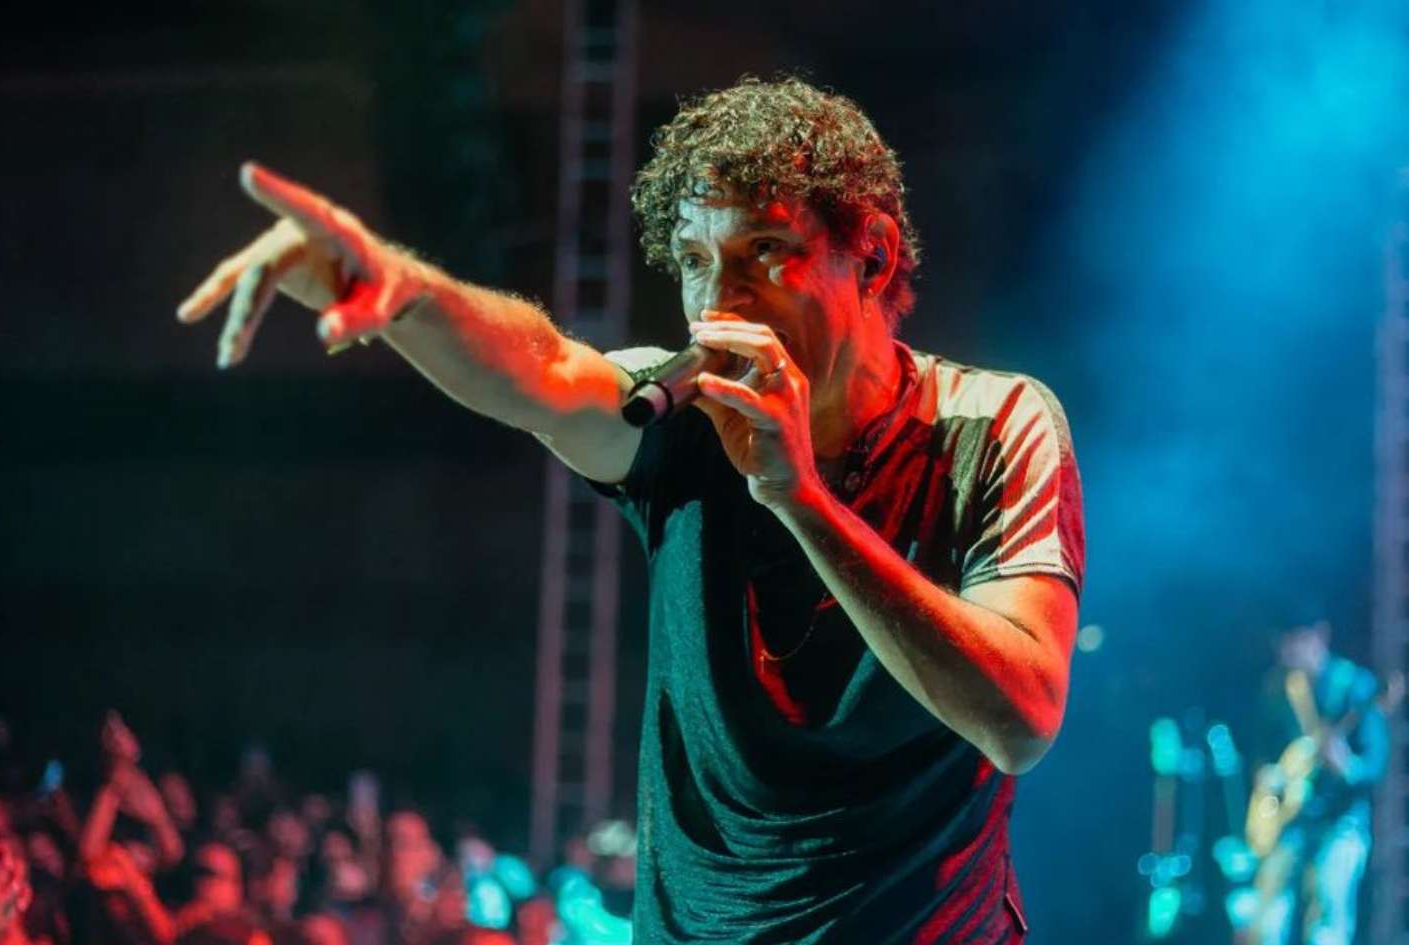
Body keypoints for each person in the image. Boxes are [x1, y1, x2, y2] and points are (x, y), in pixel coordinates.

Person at [177, 76, 1084, 942]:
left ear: (873, 254)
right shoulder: (680, 413)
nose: (719, 304)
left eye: (764, 254)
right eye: (695, 262)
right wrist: (408, 295)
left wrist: (801, 499)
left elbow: (1022, 717)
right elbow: (543, 366)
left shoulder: (992, 425)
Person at [1245, 619, 1389, 945]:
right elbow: (1261, 749)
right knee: (1266, 920)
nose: (1288, 653)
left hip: (1340, 822)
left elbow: (1375, 763)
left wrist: (1347, 767)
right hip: (1288, 822)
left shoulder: (1354, 686)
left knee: (1327, 920)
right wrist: (1266, 776)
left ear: (1318, 636)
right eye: (1283, 645)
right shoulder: (1280, 688)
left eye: (1294, 642)